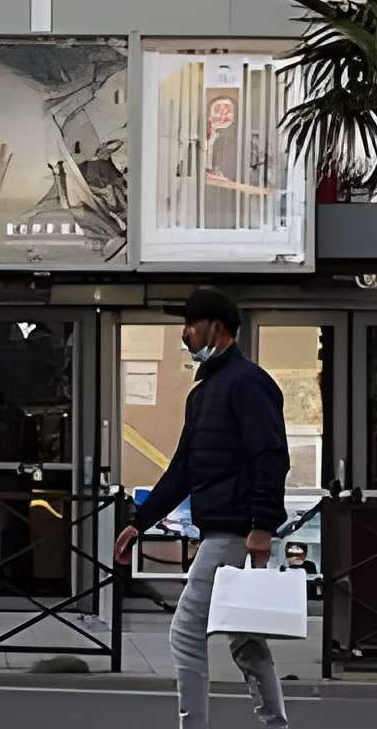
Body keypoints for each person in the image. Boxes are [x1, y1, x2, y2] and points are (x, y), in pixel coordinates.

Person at [112, 287, 290, 729]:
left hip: (236, 533)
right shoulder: (204, 392)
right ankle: (275, 724)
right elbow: (184, 468)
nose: (184, 335)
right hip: (223, 531)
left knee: (186, 633)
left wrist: (262, 526)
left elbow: (271, 455)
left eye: (189, 325)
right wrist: (140, 522)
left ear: (216, 327)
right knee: (246, 640)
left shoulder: (249, 383)